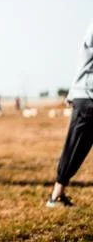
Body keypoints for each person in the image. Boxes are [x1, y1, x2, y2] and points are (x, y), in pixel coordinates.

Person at [47, 23, 93, 207]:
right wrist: (75, 91)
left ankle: (57, 195)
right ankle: (56, 195)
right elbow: (84, 59)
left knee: (76, 147)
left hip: (85, 94)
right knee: (75, 147)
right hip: (89, 95)